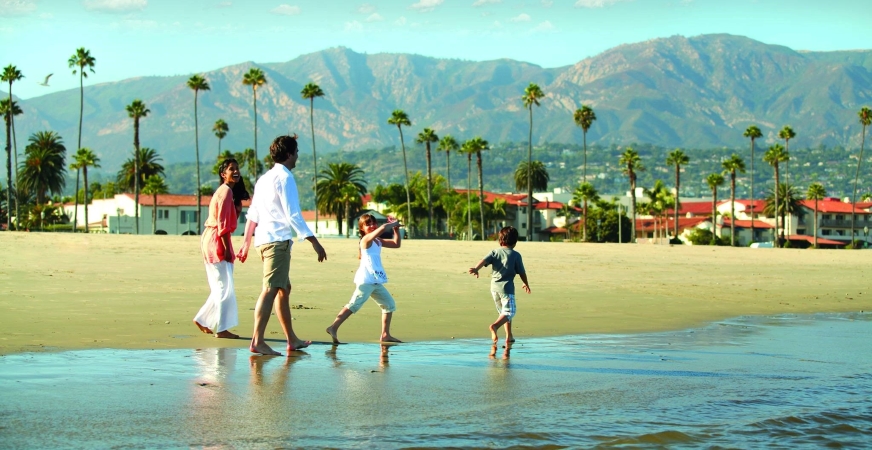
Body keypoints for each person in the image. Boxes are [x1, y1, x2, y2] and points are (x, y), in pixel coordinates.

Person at [237, 135, 327, 356]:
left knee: (283, 289)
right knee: (270, 289)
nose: (297, 156)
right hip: (277, 241)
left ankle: (292, 340)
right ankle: (257, 341)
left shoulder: (264, 179)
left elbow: (253, 214)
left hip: (264, 240)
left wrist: (246, 242)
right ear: (288, 154)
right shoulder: (285, 178)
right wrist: (315, 242)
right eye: (296, 152)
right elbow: (293, 214)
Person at [326, 214, 403, 344]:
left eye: (373, 223)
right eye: (368, 224)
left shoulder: (378, 241)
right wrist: (393, 223)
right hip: (365, 280)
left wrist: (396, 230)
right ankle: (333, 327)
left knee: (389, 305)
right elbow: (384, 227)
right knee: (354, 304)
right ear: (362, 229)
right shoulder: (365, 240)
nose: (372, 226)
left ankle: (385, 334)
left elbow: (396, 244)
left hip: (375, 280)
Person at [193, 158, 247, 339]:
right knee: (224, 287)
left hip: (212, 238)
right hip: (216, 240)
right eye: (232, 169)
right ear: (223, 175)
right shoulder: (225, 192)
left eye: (237, 168)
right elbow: (223, 224)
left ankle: (203, 319)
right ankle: (222, 329)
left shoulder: (227, 192)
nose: (236, 171)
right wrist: (227, 249)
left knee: (221, 285)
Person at [468, 226, 530, 345]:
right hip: (507, 289)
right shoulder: (516, 255)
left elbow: (484, 260)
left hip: (494, 288)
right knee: (509, 312)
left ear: (500, 239)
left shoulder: (495, 252)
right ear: (515, 241)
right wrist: (525, 283)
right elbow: (522, 272)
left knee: (503, 312)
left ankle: (509, 336)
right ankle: (495, 326)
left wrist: (476, 269)